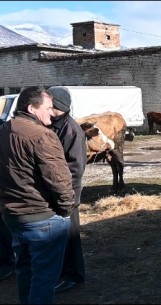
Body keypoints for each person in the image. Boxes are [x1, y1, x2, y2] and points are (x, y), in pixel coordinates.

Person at [0, 86, 75, 304]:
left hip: (13, 217)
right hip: (42, 218)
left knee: (26, 273)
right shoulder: (42, 135)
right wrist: (66, 209)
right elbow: (59, 179)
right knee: (44, 279)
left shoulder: (5, 129)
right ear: (32, 108)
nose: (52, 113)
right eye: (49, 108)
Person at [47, 87, 87, 294]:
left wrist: (63, 194)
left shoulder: (71, 131)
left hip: (67, 194)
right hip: (56, 192)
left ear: (58, 106)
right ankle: (63, 272)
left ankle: (74, 275)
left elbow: (76, 168)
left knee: (70, 235)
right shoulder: (52, 125)